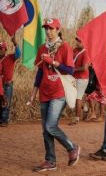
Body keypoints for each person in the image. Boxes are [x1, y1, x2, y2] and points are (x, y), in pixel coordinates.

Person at [28, 18, 80, 172]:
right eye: (46, 29)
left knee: (51, 126)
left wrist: (54, 62)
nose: (48, 31)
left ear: (58, 29)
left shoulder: (65, 47)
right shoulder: (42, 48)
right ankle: (50, 160)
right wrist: (33, 93)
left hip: (59, 91)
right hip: (44, 92)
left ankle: (72, 147)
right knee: (46, 129)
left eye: (51, 28)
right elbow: (39, 73)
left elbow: (70, 70)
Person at [0, 36, 20, 127]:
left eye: (1, 49)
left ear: (5, 50)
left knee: (6, 102)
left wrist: (15, 43)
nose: (0, 50)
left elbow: (18, 54)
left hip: (7, 84)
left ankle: (4, 120)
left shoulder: (10, 57)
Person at [69, 37, 90, 125]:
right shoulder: (75, 50)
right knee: (72, 97)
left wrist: (73, 69)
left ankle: (76, 118)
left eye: (80, 41)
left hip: (82, 78)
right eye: (77, 40)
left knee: (77, 97)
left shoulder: (86, 53)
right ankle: (85, 108)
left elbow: (85, 68)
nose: (78, 42)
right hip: (74, 77)